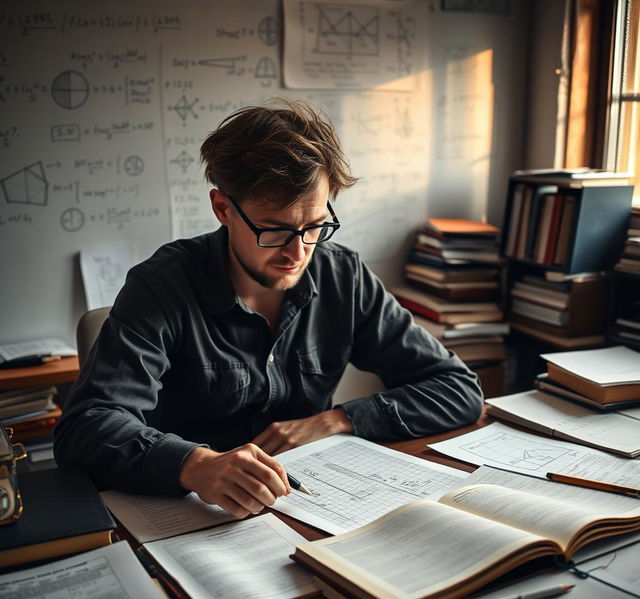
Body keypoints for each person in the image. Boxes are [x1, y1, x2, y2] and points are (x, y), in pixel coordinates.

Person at [54, 99, 483, 518]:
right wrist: (196, 465)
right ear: (223, 208)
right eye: (274, 230)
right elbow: (85, 427)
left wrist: (337, 421)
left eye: (314, 226)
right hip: (190, 517)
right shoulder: (161, 287)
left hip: (314, 506)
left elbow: (458, 389)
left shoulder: (343, 276)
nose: (297, 252)